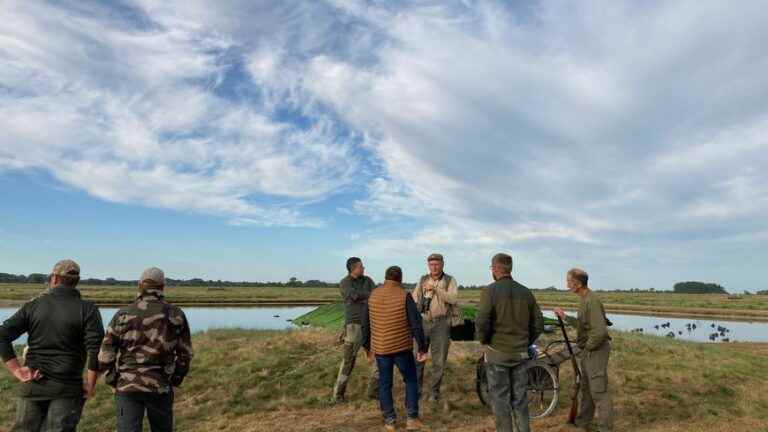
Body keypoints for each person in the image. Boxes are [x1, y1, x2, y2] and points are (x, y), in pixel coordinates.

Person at [0, 259, 104, 432]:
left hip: (33, 383)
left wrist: (17, 370)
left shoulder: (33, 305)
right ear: (76, 281)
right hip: (68, 387)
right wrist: (91, 384)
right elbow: (96, 351)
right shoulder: (88, 309)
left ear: (54, 278)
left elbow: (2, 335)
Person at [98, 267, 193, 432]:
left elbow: (105, 355)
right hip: (161, 385)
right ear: (162, 286)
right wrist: (175, 379)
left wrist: (113, 380)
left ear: (140, 285)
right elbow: (185, 354)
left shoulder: (123, 314)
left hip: (127, 385)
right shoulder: (176, 314)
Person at [476, 253, 544, 432]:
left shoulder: (490, 291)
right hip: (521, 354)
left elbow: (482, 320)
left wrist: (484, 340)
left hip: (497, 355)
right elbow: (538, 324)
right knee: (520, 400)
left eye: (492, 268)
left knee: (500, 401)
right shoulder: (526, 292)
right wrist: (526, 342)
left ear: (496, 269)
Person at [363, 266, 428, 431]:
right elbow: (416, 324)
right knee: (411, 381)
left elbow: (365, 324)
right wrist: (422, 347)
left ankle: (390, 421)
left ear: (385, 278)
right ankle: (412, 419)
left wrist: (367, 346)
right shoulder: (404, 295)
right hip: (401, 348)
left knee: (385, 384)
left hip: (381, 349)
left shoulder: (373, 294)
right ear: (400, 278)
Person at [554, 268, 614, 432]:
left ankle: (605, 428)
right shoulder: (585, 299)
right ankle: (582, 422)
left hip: (596, 351)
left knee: (599, 391)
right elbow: (584, 326)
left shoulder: (591, 301)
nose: (567, 284)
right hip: (589, 350)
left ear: (578, 283)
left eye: (569, 281)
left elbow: (600, 332)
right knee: (586, 389)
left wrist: (587, 348)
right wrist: (565, 317)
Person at [410, 253, 459, 402]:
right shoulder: (423, 279)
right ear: (428, 265)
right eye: (431, 264)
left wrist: (436, 290)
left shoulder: (450, 280)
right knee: (418, 357)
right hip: (423, 323)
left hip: (441, 324)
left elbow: (453, 298)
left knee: (438, 361)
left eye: (437, 264)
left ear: (443, 264)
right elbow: (414, 299)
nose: (434, 267)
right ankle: (416, 391)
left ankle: (433, 392)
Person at [331, 257, 379, 403]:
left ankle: (373, 391)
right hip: (354, 326)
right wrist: (366, 296)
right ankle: (337, 395)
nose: (363, 268)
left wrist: (364, 297)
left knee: (380, 357)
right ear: (353, 268)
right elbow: (353, 296)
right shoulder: (345, 283)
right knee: (348, 361)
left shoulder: (368, 280)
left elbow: (374, 295)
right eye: (361, 267)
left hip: (371, 324)